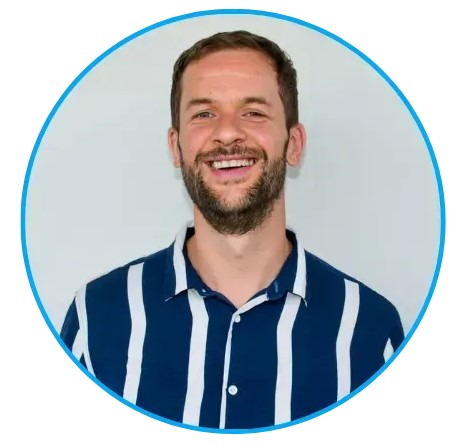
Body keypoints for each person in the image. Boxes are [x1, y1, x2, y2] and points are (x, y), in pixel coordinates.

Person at [60, 30, 404, 430]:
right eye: (204, 114)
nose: (227, 133)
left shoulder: (371, 331)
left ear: (294, 144)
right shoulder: (96, 319)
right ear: (175, 146)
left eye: (253, 112)